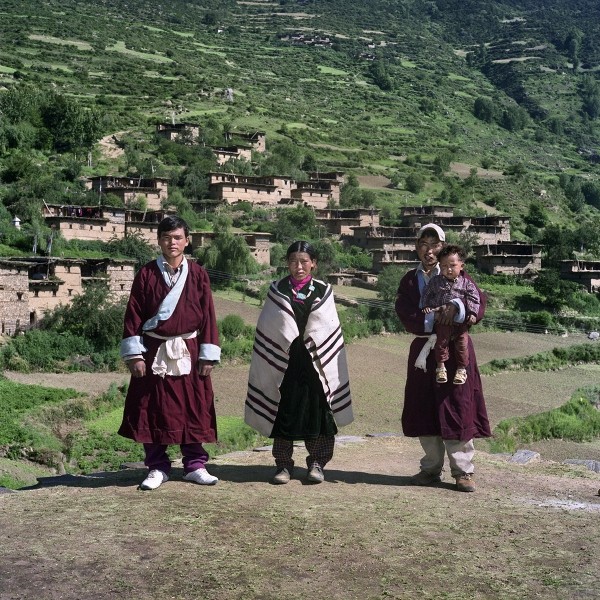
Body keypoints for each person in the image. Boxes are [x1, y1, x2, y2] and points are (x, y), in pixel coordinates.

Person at [118, 216, 221, 490]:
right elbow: (134, 314)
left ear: (187, 240)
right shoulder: (147, 274)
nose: (172, 242)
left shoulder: (198, 274)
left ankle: (195, 465)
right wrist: (135, 355)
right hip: (154, 351)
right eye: (166, 237)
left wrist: (208, 354)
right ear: (159, 240)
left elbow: (209, 316)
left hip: (189, 350)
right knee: (152, 406)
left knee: (194, 406)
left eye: (177, 237)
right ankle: (157, 467)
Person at [244, 240, 353, 484]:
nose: (299, 266)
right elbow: (269, 327)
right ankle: (283, 465)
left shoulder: (323, 291)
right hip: (285, 362)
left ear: (313, 264)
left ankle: (317, 463)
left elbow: (328, 328)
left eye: (304, 261)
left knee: (319, 413)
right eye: (293, 261)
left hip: (317, 362)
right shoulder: (278, 289)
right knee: (283, 411)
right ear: (287, 263)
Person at [395, 224, 491, 493]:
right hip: (425, 353)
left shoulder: (459, 274)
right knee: (425, 406)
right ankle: (430, 468)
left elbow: (478, 304)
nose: (429, 250)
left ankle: (463, 471)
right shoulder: (410, 281)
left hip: (456, 352)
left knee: (458, 405)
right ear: (417, 247)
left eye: (435, 244)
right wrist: (436, 318)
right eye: (424, 244)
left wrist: (458, 310)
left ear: (443, 247)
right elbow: (404, 311)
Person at [421, 244, 481, 386]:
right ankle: (441, 367)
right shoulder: (436, 282)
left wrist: (472, 313)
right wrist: (427, 306)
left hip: (461, 324)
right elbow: (427, 293)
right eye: (443, 266)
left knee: (462, 345)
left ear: (462, 265)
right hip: (442, 321)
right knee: (441, 343)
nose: (448, 269)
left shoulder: (467, 283)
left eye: (452, 265)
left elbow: (475, 298)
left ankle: (461, 369)